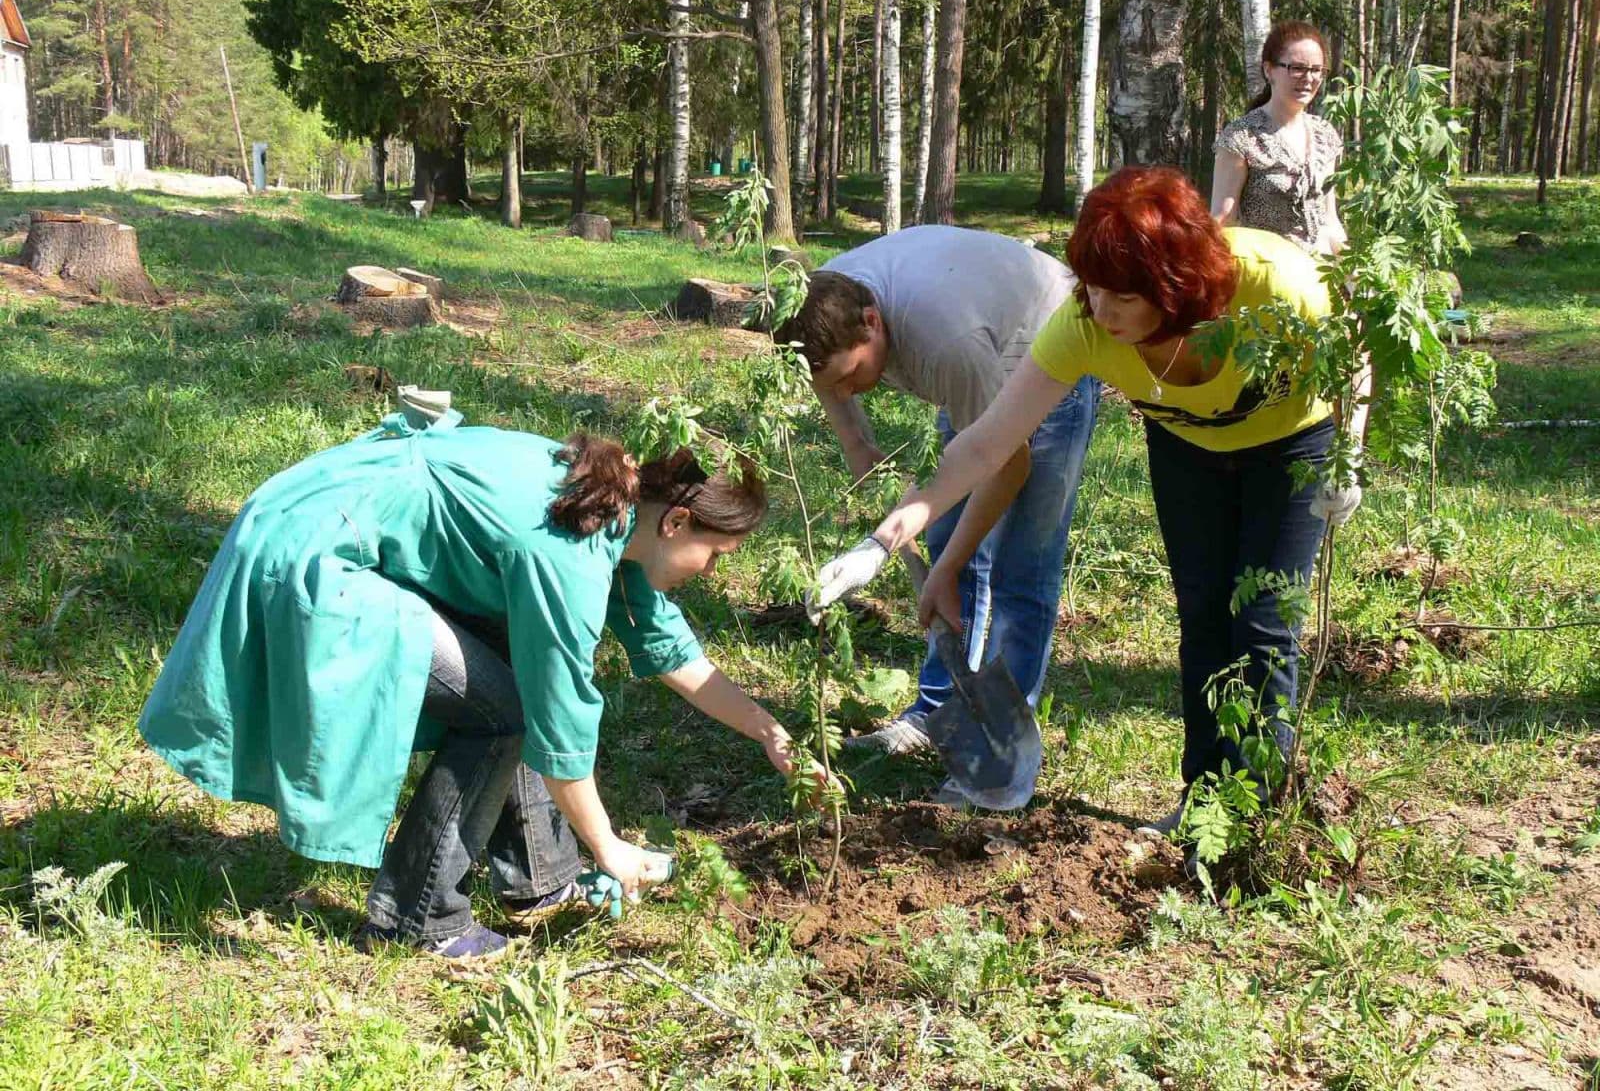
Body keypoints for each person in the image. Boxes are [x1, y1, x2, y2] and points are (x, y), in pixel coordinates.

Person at [810, 168, 1365, 834]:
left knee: (1264, 623)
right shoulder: (1084, 323)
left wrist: (1349, 455)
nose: (1100, 311)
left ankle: (1257, 816)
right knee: (1205, 617)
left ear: (1175, 283)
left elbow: (1353, 351)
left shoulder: (1272, 283)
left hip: (1292, 443)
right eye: (1093, 290)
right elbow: (986, 446)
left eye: (1121, 296)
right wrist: (886, 539)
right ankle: (1204, 801)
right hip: (1187, 442)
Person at [139, 402, 799, 960]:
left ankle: (541, 881)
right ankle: (417, 919)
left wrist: (767, 730)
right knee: (507, 709)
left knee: (507, 690)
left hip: (332, 523)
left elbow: (670, 648)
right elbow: (560, 724)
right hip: (316, 551)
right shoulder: (568, 552)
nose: (711, 573)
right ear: (677, 522)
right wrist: (611, 849)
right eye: (714, 556)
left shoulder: (616, 507)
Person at [775, 225, 1099, 798]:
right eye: (834, 385)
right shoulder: (823, 304)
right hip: (976, 370)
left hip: (1047, 360)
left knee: (1022, 565)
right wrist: (864, 467)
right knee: (947, 531)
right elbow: (856, 434)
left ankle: (997, 757)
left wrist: (947, 565)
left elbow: (1008, 464)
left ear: (873, 323)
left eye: (852, 375)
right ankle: (933, 711)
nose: (847, 392)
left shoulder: (945, 343)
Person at [1211, 20, 1347, 256]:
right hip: (1268, 279)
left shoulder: (1326, 135)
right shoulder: (1241, 137)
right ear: (1268, 70)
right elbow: (1223, 223)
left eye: (1317, 70)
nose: (1308, 78)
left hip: (1321, 277)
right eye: (1297, 68)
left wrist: (1355, 276)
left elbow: (1330, 221)